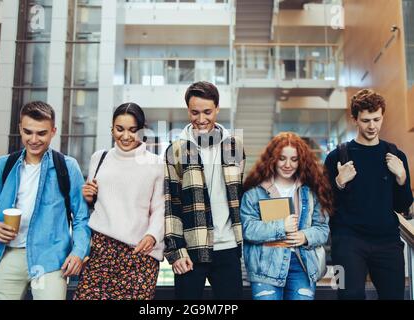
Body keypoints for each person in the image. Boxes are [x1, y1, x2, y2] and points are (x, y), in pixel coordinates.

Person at [0, 101, 91, 300]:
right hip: (6, 255)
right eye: (28, 132)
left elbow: (82, 219)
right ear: (20, 129)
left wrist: (78, 252)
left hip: (50, 259)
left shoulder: (67, 167)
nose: (33, 139)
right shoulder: (3, 165)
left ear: (53, 131)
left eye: (41, 133)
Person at [324, 89, 413, 300]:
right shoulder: (336, 157)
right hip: (345, 243)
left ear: (382, 117)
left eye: (376, 119)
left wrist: (401, 177)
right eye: (365, 120)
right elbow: (325, 204)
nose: (372, 126)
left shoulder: (396, 155)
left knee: (394, 297)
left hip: (388, 242)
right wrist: (339, 183)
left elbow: (403, 204)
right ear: (354, 119)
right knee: (347, 296)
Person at [74, 103, 165, 300]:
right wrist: (89, 197)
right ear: (112, 128)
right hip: (101, 252)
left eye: (133, 130)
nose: (125, 136)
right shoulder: (99, 158)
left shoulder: (156, 163)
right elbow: (96, 201)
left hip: (139, 254)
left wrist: (152, 236)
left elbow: (160, 209)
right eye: (119, 129)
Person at [164, 81, 245, 300]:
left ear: (217, 108)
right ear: (188, 111)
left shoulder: (234, 147)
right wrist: (176, 251)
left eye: (207, 112)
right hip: (191, 250)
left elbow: (239, 195)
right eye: (195, 112)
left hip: (228, 246)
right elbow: (171, 206)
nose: (201, 119)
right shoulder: (176, 150)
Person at [240, 132, 332, 300]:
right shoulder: (254, 193)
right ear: (272, 159)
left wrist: (304, 236)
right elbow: (247, 230)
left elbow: (322, 230)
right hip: (265, 267)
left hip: (302, 264)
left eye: (294, 159)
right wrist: (281, 226)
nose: (288, 164)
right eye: (282, 158)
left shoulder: (311, 191)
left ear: (301, 161)